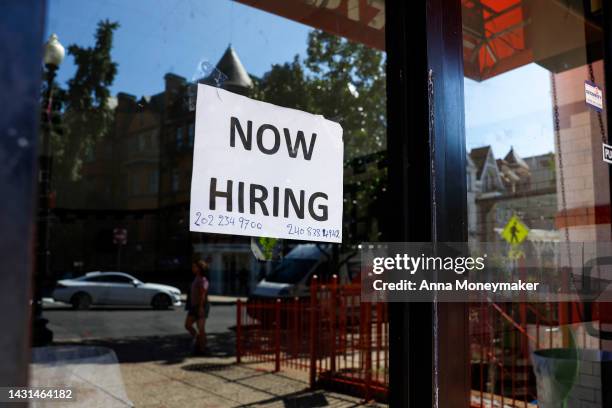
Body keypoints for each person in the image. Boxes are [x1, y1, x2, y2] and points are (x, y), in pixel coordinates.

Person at [184, 259, 210, 354]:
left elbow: (202, 295)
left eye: (194, 266)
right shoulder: (196, 278)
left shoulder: (202, 280)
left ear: (199, 269)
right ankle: (199, 341)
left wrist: (200, 308)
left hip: (201, 306)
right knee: (188, 325)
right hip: (194, 306)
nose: (192, 268)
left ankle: (203, 349)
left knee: (201, 328)